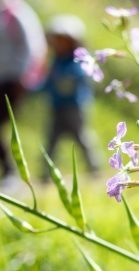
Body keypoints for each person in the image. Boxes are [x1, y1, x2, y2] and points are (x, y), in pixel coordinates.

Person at [0, 0, 46, 185]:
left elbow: (32, 46)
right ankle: (9, 172)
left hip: (12, 82)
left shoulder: (14, 12)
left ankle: (11, 173)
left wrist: (23, 78)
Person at [41, 15, 99, 173]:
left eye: (63, 39)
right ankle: (45, 174)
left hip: (74, 108)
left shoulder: (79, 59)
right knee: (51, 141)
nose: (60, 43)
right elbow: (48, 82)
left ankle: (95, 169)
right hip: (57, 108)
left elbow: (80, 75)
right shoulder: (56, 61)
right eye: (57, 40)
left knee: (83, 139)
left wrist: (67, 76)